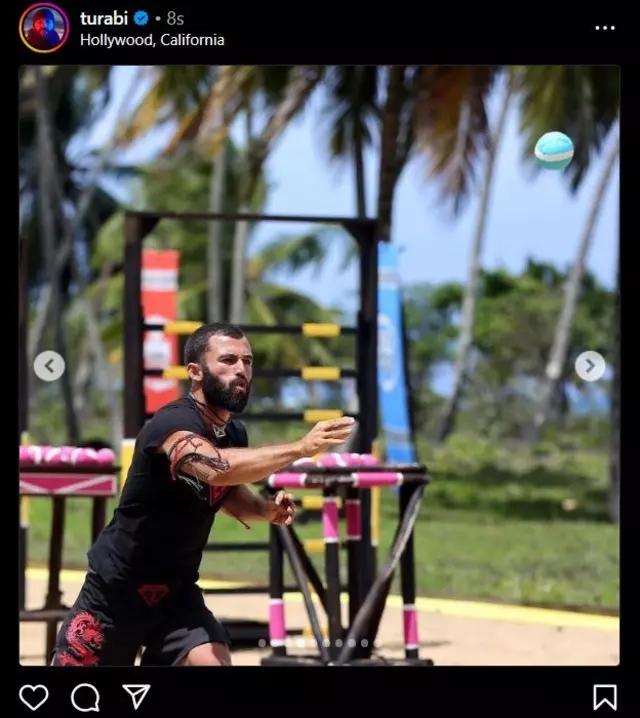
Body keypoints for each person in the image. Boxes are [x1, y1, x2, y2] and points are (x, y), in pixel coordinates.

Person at [51, 322, 355, 667]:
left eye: (247, 361)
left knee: (214, 662)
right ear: (195, 372)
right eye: (228, 360)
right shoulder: (173, 423)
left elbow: (224, 490)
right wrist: (301, 447)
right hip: (117, 591)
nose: (241, 370)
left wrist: (262, 508)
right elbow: (216, 469)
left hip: (177, 592)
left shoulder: (233, 433)